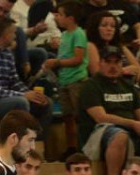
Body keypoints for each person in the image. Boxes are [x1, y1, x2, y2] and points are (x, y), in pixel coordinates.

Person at [79, 45, 140, 175]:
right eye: (108, 62)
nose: (112, 66)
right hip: (101, 132)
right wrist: (133, 124)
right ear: (99, 63)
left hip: (131, 129)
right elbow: (100, 117)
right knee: (120, 135)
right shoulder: (91, 86)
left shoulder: (128, 85)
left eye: (117, 62)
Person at [43, 0, 89, 155]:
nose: (58, 18)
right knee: (67, 117)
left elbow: (78, 59)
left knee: (79, 117)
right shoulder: (64, 35)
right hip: (64, 81)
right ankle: (71, 148)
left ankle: (84, 148)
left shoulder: (79, 34)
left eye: (61, 15)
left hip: (76, 81)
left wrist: (56, 62)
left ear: (71, 18)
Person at [85, 11, 140, 79]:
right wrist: (123, 71)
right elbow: (96, 73)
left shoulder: (120, 46)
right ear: (95, 28)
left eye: (113, 26)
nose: (109, 29)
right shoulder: (90, 46)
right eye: (104, 25)